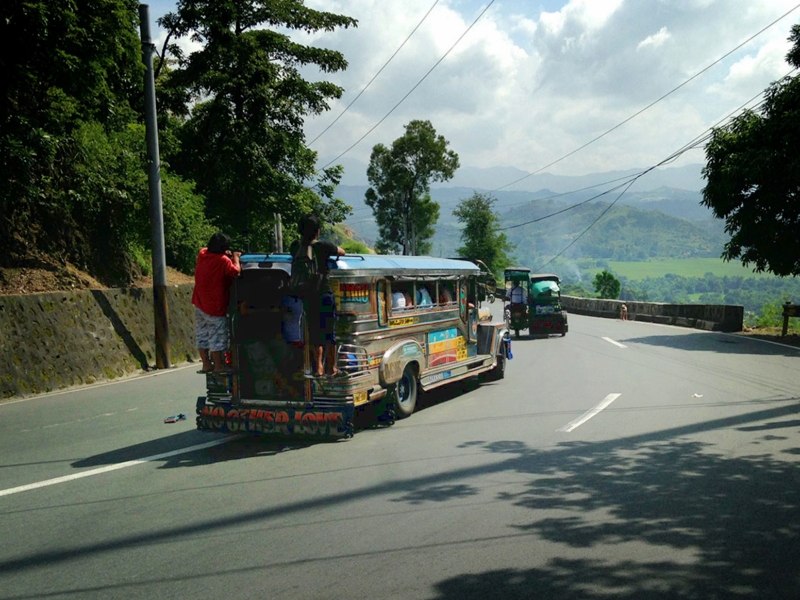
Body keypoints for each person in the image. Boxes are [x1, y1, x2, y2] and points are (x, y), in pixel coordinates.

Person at [294, 214, 345, 377]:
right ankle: (331, 367)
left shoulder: (295, 246)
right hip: (324, 293)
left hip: (307, 296)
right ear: (317, 231)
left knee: (315, 333)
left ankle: (318, 368)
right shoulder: (323, 246)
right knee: (329, 332)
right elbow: (342, 252)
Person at [192, 232, 241, 373]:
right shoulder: (223, 261)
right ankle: (219, 366)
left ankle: (206, 364)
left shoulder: (202, 253)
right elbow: (236, 272)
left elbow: (205, 250)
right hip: (214, 305)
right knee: (217, 336)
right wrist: (235, 258)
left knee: (202, 334)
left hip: (199, 301)